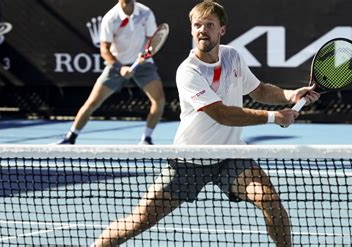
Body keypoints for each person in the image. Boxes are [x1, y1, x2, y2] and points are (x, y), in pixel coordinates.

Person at [91, 1, 320, 247]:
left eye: (209, 25)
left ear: (222, 29)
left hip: (231, 156)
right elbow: (221, 114)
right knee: (138, 222)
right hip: (191, 160)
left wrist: (290, 95)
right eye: (197, 25)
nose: (202, 30)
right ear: (191, 30)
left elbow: (259, 90)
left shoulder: (232, 56)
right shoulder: (188, 71)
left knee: (270, 200)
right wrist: (274, 117)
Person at [57, 0, 165, 145]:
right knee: (92, 102)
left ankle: (146, 138)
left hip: (143, 64)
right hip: (116, 65)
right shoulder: (111, 18)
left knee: (159, 101)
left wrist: (145, 56)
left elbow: (153, 40)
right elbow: (104, 50)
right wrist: (120, 67)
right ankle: (71, 137)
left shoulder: (146, 12)